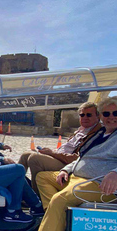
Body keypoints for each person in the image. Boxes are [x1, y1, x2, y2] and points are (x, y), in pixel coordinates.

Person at [36, 97, 117, 231]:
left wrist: (115, 173)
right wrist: (65, 170)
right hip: (76, 177)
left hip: (99, 184)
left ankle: (55, 214)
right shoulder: (100, 133)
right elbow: (82, 157)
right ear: (101, 116)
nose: (111, 117)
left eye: (116, 113)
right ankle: (56, 214)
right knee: (42, 177)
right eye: (107, 113)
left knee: (59, 199)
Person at [19, 102, 101, 193]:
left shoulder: (97, 134)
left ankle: (36, 199)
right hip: (59, 157)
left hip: (68, 165)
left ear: (98, 116)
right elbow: (67, 147)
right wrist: (52, 151)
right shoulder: (81, 130)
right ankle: (19, 191)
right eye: (82, 115)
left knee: (35, 159)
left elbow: (77, 158)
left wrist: (52, 154)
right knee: (25, 155)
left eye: (89, 115)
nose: (85, 117)